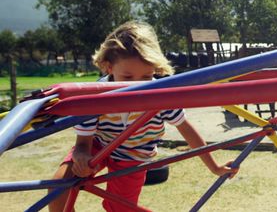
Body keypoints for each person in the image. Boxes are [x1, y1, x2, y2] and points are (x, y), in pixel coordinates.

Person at [49, 21, 238, 212]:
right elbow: (83, 144)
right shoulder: (95, 96)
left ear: (155, 70)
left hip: (133, 156)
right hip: (99, 146)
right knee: (58, 189)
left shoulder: (159, 95)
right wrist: (82, 157)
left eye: (146, 77)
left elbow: (186, 130)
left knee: (120, 208)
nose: (138, 88)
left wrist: (214, 167)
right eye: (128, 78)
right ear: (108, 67)